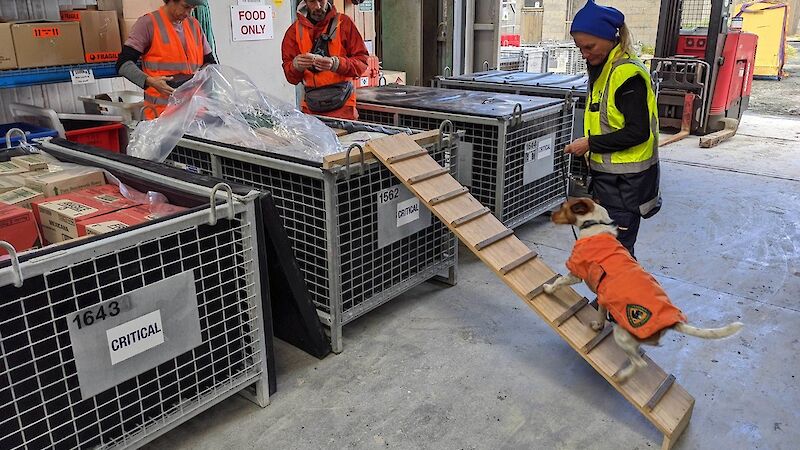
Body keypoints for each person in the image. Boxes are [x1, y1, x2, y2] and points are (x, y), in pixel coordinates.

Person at [564, 0, 662, 257]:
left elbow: (638, 131)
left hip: (627, 186)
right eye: (579, 48)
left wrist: (590, 144)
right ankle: (614, 297)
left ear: (610, 39)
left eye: (590, 46)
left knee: (617, 254)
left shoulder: (626, 75)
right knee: (609, 252)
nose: (585, 53)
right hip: (610, 183)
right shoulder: (604, 69)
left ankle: (624, 297)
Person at [116, 0, 216, 119]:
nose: (188, 13)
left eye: (192, 8)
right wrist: (149, 81)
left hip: (195, 114)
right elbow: (123, 64)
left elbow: (210, 63)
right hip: (162, 115)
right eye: (185, 7)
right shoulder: (148, 24)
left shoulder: (194, 25)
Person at [281, 0, 369, 120]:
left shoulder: (344, 23)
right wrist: (295, 66)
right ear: (305, 2)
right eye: (312, 1)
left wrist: (336, 64)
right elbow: (291, 77)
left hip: (343, 109)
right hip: (311, 110)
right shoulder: (294, 31)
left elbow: (362, 62)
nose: (318, 6)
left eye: (321, 0)